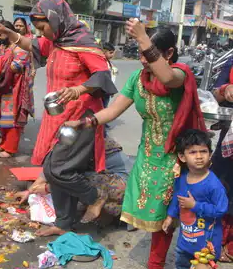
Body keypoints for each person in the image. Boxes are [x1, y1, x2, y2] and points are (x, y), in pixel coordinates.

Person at [66, 23, 206, 269]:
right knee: (154, 215)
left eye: (147, 53)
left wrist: (143, 37)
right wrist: (86, 122)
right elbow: (113, 109)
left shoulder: (180, 75)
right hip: (148, 156)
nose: (142, 60)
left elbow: (166, 77)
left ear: (169, 54)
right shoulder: (138, 78)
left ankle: (165, 262)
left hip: (176, 159)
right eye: (140, 53)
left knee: (168, 215)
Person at [0, 0, 117, 235]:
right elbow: (32, 45)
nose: (41, 32)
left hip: (80, 118)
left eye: (43, 26)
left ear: (56, 19)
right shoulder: (57, 41)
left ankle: (95, 197)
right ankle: (63, 223)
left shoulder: (82, 42)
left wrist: (79, 89)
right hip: (58, 115)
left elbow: (103, 75)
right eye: (37, 28)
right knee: (51, 167)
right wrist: (8, 32)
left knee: (59, 169)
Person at [15, 136, 132, 233]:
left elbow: (68, 176)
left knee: (66, 182)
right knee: (59, 182)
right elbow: (52, 168)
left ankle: (100, 204)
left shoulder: (82, 143)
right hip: (100, 178)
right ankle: (84, 210)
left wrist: (47, 188)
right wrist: (30, 191)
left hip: (122, 187)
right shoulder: (67, 141)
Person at [162, 129, 228, 269]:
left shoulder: (214, 185)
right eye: (192, 152)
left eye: (203, 151)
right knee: (181, 265)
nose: (199, 156)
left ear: (210, 154)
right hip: (185, 242)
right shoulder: (182, 178)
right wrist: (170, 216)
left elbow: (221, 209)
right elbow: (177, 198)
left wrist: (195, 205)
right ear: (182, 156)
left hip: (206, 246)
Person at [0, 20, 34, 158]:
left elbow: (15, 67)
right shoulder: (3, 48)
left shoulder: (20, 48)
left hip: (15, 88)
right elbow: (0, 64)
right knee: (2, 117)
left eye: (1, 34)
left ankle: (10, 149)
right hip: (3, 87)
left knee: (13, 119)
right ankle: (4, 144)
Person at [211, 56, 233, 262]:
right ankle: (216, 237)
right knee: (220, 183)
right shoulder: (232, 61)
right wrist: (225, 89)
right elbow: (215, 95)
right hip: (229, 136)